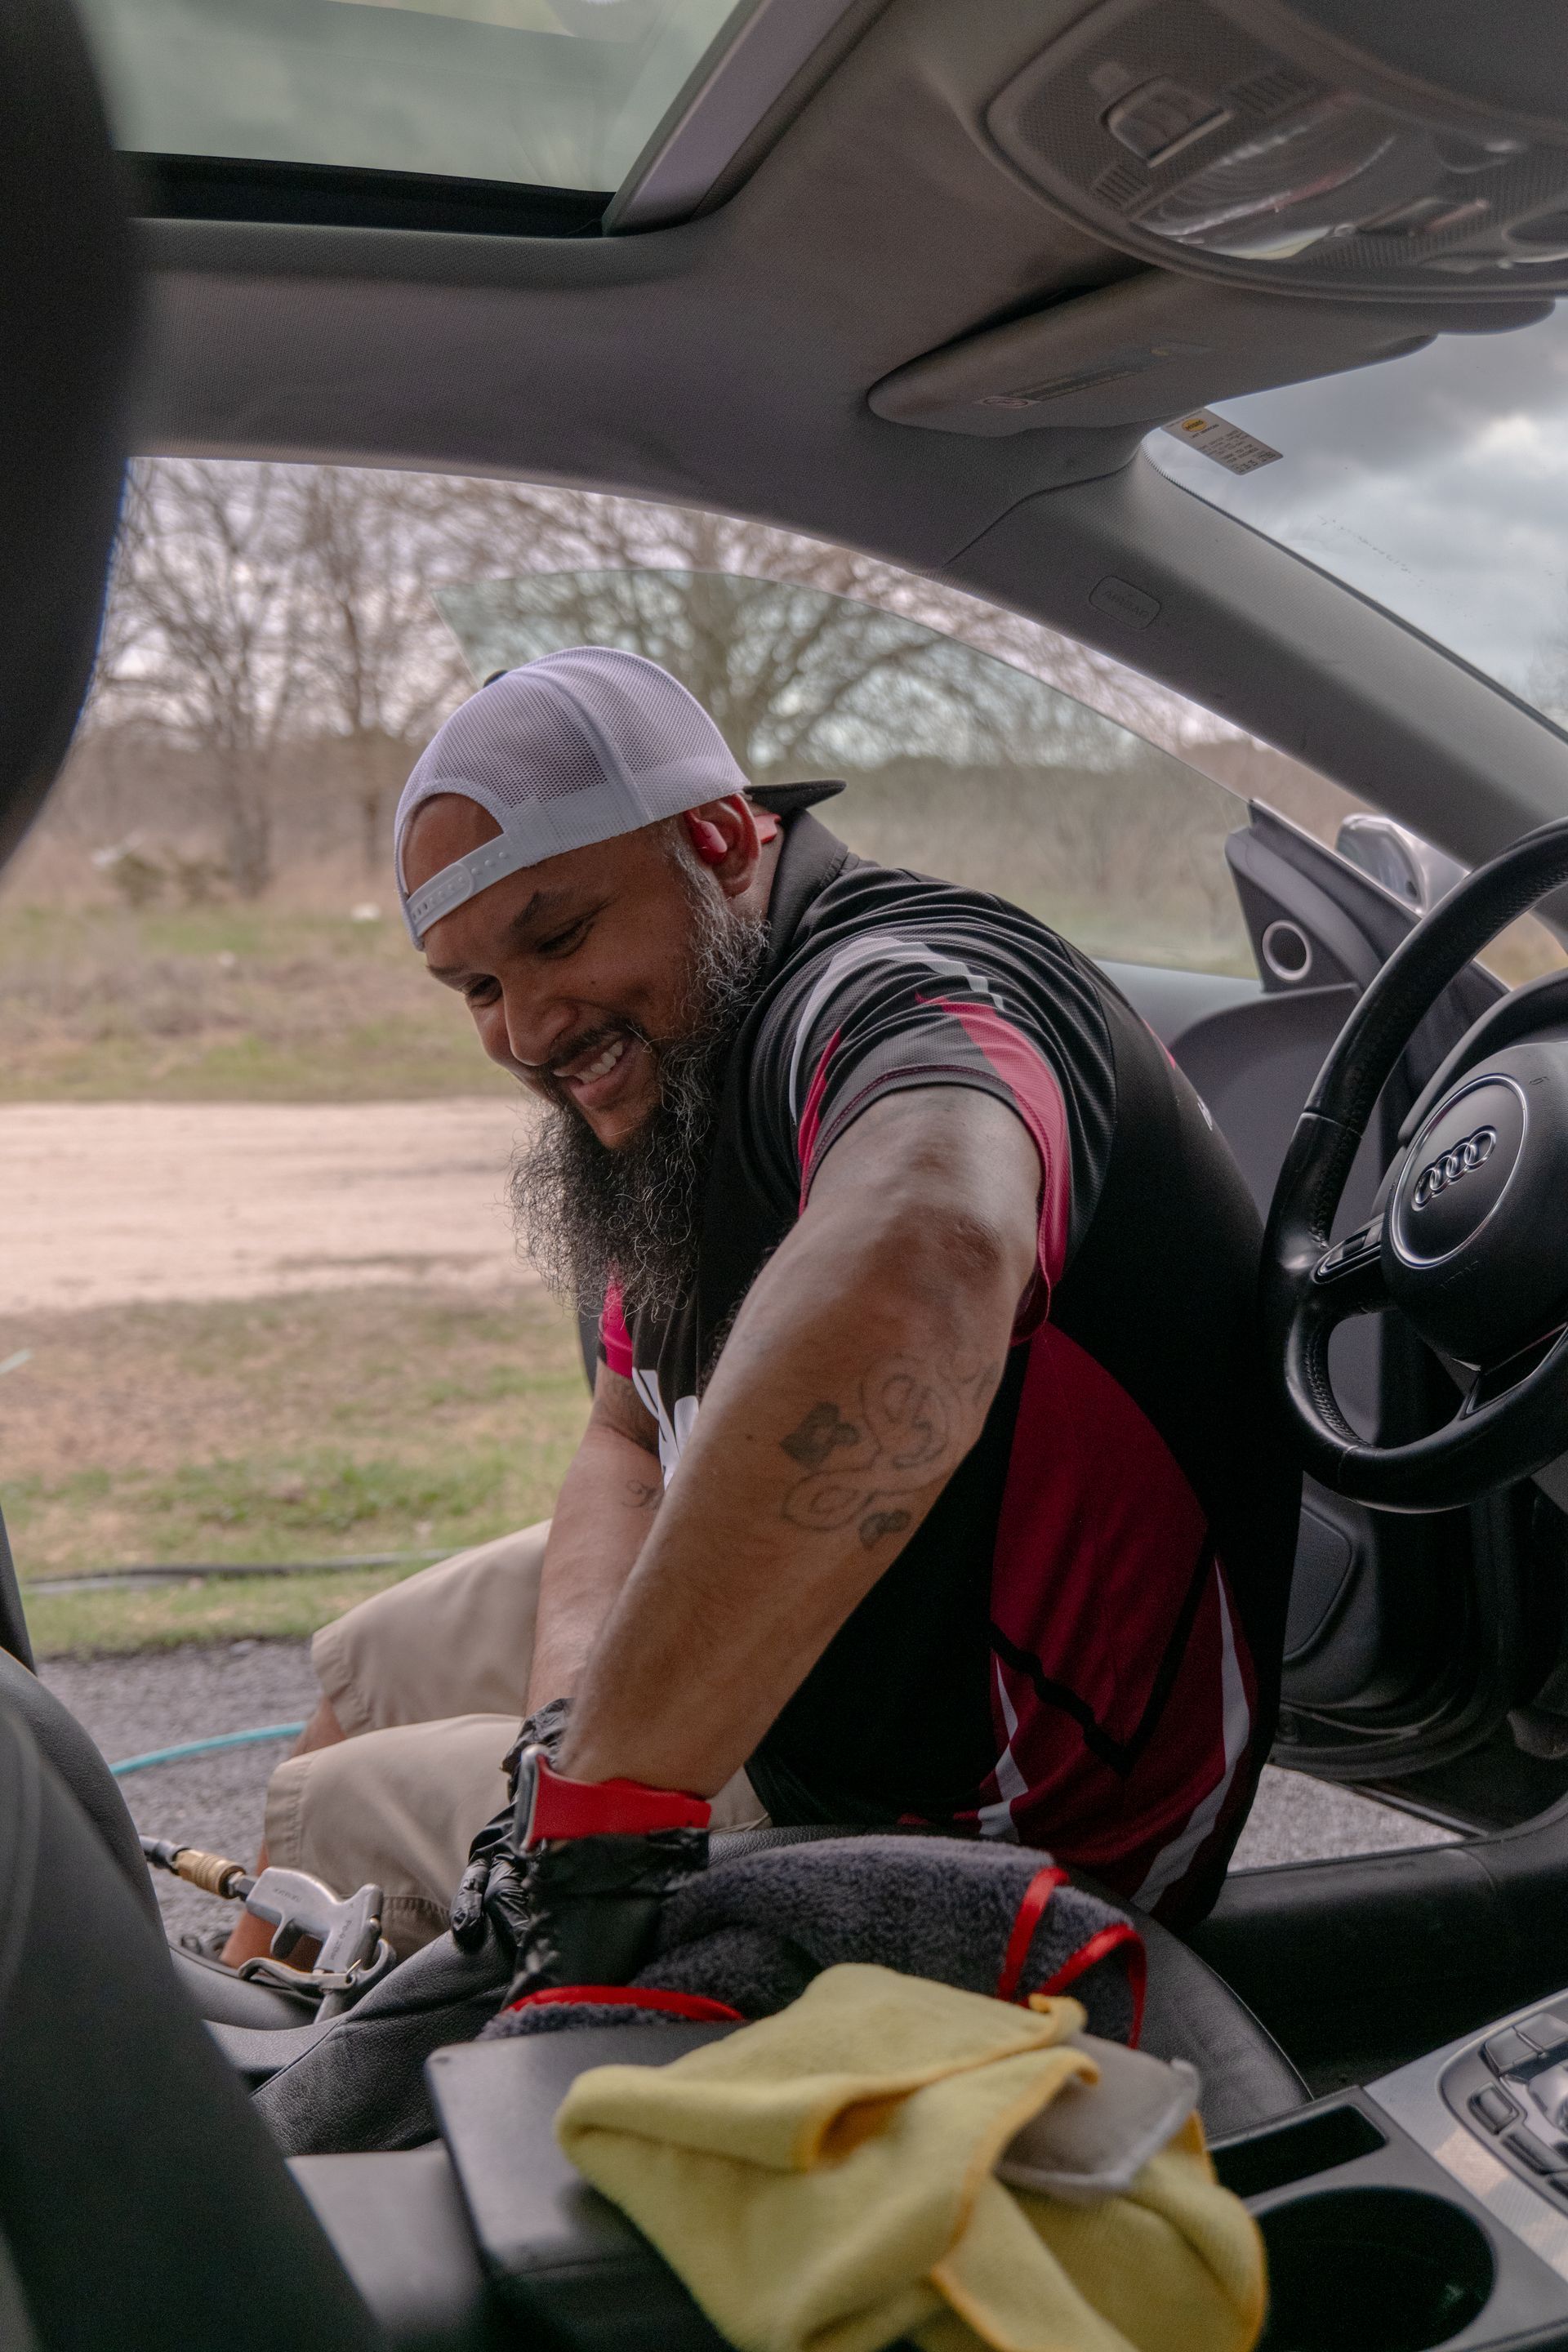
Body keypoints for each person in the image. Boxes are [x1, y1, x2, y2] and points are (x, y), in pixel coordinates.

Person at [222, 645, 1298, 1980]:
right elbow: (627, 1438)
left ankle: (292, 2136)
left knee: (324, 1816)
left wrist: (598, 1808)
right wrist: (568, 1710)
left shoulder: (892, 987)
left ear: (722, 836)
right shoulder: (677, 1071)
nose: (528, 1029)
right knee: (365, 1675)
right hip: (834, 1681)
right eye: (480, 989)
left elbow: (933, 1242)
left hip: (979, 1818)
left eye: (558, 938)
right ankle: (319, 2031)